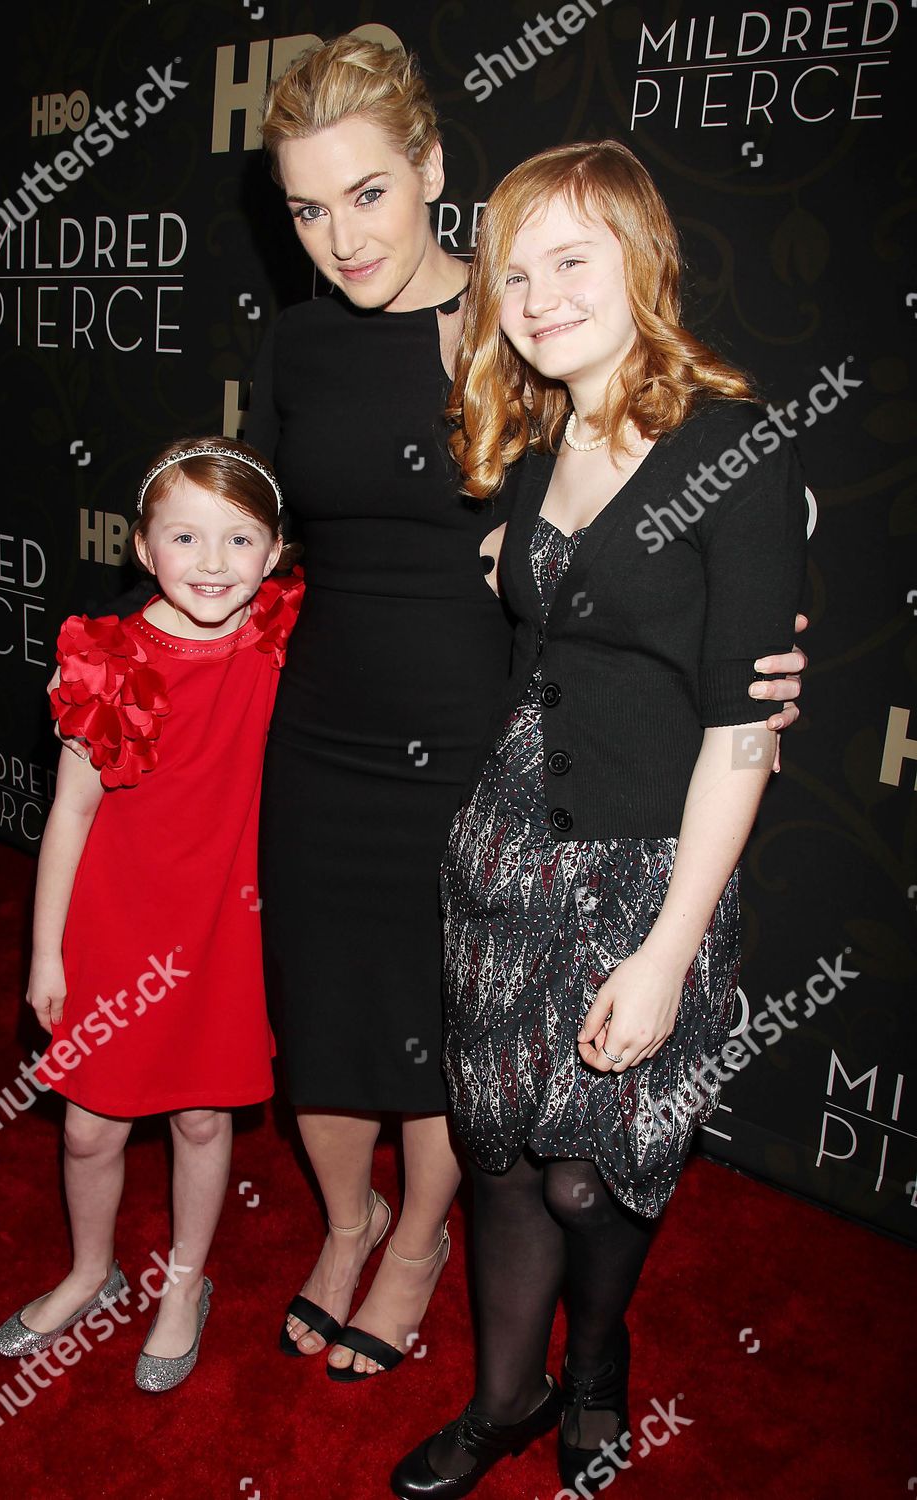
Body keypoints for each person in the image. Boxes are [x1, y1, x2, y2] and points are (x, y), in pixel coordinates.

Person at [247, 37, 808, 1383]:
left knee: (453, 1030)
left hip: (478, 734)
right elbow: (257, 531)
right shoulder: (300, 345)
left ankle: (416, 1243)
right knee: (323, 1010)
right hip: (322, 728)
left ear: (432, 169)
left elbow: (685, 479)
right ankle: (347, 1224)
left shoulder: (522, 329)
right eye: (309, 210)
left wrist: (751, 633)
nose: (342, 238)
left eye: (369, 194)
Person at [391, 141, 808, 1498]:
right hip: (502, 858)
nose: (538, 298)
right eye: (513, 273)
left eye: (573, 260)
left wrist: (668, 952)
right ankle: (505, 1398)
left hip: (646, 876)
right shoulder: (536, 442)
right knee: (504, 1160)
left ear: (644, 262)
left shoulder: (733, 449)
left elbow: (742, 736)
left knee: (590, 1178)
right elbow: (553, 608)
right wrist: (509, 563)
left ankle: (596, 1363)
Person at [0, 437, 304, 1392]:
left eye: (239, 539)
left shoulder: (280, 636)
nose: (212, 563)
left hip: (222, 926)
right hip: (115, 926)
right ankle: (92, 1271)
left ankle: (185, 1283)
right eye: (185, 536)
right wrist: (47, 954)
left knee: (203, 1119)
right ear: (142, 546)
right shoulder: (109, 662)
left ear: (275, 551)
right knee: (88, 1128)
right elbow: (69, 816)